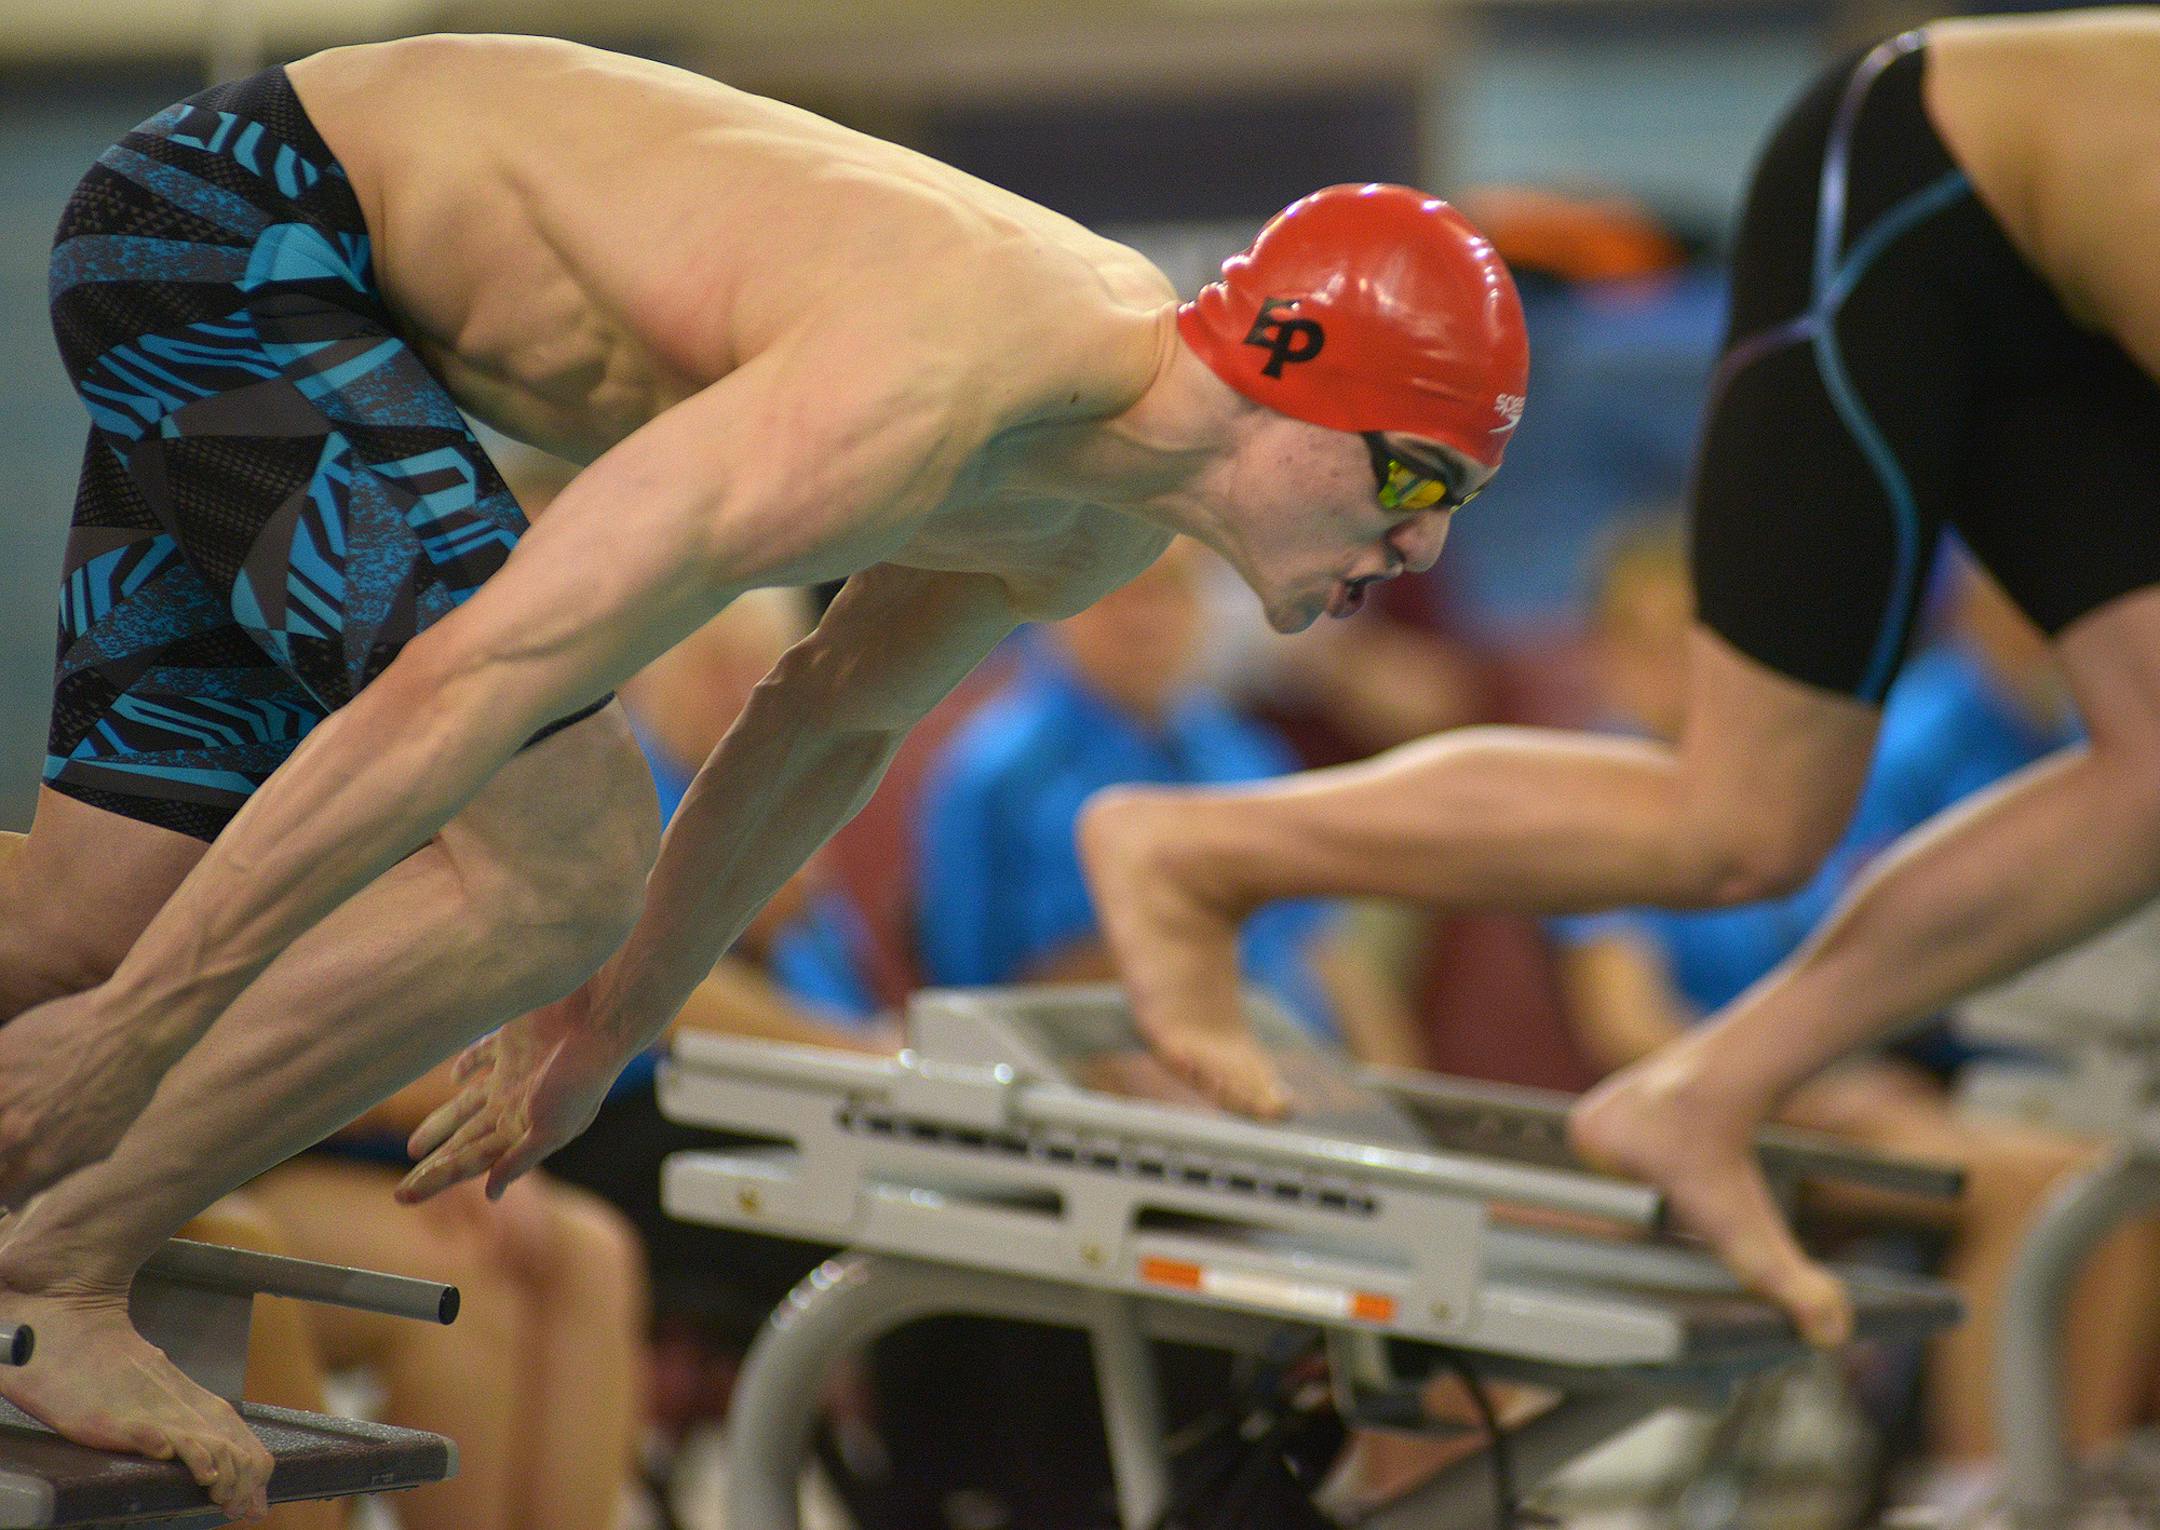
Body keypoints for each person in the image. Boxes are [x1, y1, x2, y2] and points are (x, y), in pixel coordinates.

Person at [0, 36, 1526, 1509]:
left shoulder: (1090, 516)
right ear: (1286, 362)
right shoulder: (942, 366)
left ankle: (76, 1155)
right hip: (245, 225)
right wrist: (138, 1037)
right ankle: (60, 1265)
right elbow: (475, 679)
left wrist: (608, 1022)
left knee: (81, 920)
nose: (1425, 545)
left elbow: (826, 721)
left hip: (261, 272)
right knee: (569, 843)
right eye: (1413, 475)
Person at [1077, 8, 2160, 1355]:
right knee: (1742, 823)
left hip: (2036, 263)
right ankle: (1200, 850)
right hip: (1913, 192)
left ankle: (1705, 1089)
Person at [1550, 521, 2159, 1471]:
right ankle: (1985, 1487)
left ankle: (2067, 1477)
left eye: (1698, 644)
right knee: (2038, 1190)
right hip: (1736, 1108)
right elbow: (1624, 1020)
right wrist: (1755, 1079)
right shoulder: (1593, 798)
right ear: (1605, 656)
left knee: (2102, 1184)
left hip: (1847, 1086)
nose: (1682, 674)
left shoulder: (1777, 801)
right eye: (1652, 643)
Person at [917, 536, 1428, 1064]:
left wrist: (1397, 1099)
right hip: (1117, 1084)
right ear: (1059, 601)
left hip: (1284, 1066)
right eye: (1117, 591)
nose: (1144, 620)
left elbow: (1325, 951)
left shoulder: (1236, 747)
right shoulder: (998, 775)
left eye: (1170, 591)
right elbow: (981, 999)